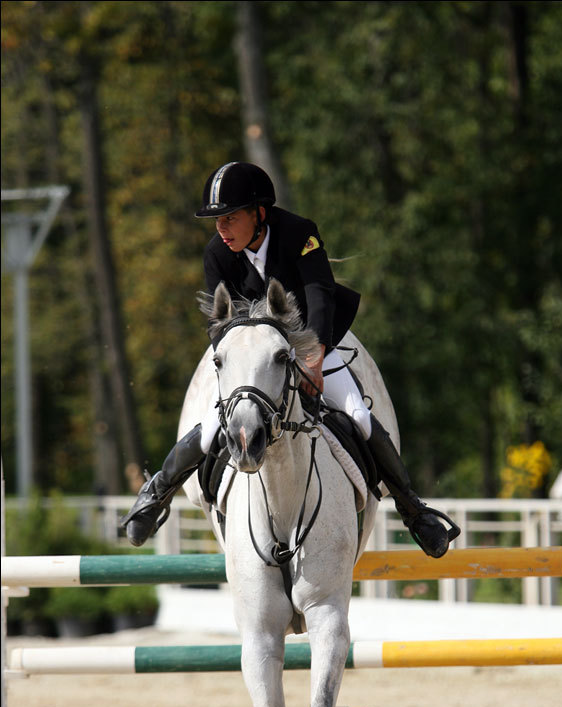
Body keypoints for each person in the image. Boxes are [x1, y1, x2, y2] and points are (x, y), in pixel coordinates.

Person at [121, 161, 459, 557]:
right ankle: (156, 493)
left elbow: (319, 296)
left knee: (358, 415)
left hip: (314, 340)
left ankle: (414, 511)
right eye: (217, 221)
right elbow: (221, 323)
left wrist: (313, 360)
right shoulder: (216, 254)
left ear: (258, 213)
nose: (222, 229)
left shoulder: (299, 234)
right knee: (214, 423)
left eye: (230, 218)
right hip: (255, 355)